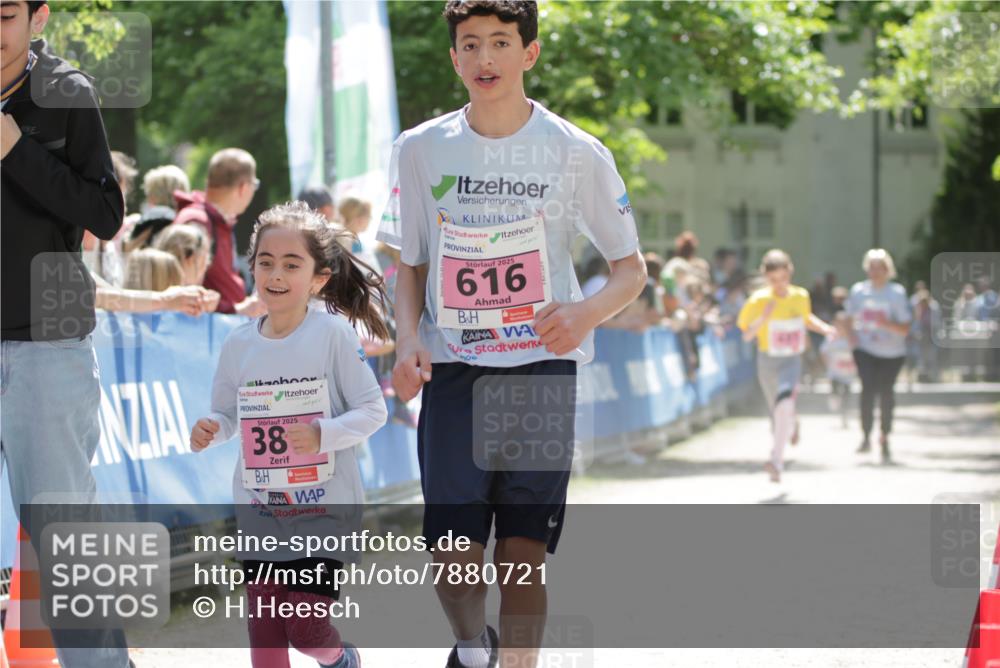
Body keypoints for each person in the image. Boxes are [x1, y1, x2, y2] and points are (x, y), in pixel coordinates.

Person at [377, 2, 646, 666]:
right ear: (454, 59)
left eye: (501, 43)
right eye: (471, 45)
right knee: (454, 558)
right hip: (456, 370)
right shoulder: (419, 149)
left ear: (530, 54)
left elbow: (630, 271)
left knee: (523, 554)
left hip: (541, 371)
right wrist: (407, 339)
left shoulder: (575, 151)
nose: (485, 58)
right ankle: (473, 647)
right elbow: (406, 263)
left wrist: (582, 315)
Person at [190, 202, 389, 668]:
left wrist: (323, 434)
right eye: (265, 262)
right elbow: (227, 413)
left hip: (321, 510)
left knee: (305, 628)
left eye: (291, 264)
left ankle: (341, 658)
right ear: (252, 266)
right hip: (261, 508)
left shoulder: (333, 334)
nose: (275, 274)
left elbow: (372, 410)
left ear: (318, 279)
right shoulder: (238, 342)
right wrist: (212, 428)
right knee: (265, 640)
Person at [0, 1, 132, 665]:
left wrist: (14, 148)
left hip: (46, 347)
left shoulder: (69, 93)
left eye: (4, 13)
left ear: (38, 17)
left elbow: (106, 214)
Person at [738, 250, 835, 482]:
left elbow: (806, 319)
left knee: (783, 404)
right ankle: (791, 423)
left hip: (791, 360)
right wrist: (764, 316)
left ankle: (776, 461)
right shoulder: (759, 300)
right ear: (766, 278)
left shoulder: (799, 296)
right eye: (773, 280)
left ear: (790, 274)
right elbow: (746, 335)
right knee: (777, 411)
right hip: (767, 360)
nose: (779, 285)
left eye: (783, 279)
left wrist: (826, 328)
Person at [174, 147, 265, 316]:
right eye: (255, 185)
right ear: (243, 188)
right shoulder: (197, 222)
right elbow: (183, 292)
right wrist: (237, 309)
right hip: (202, 334)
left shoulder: (212, 220)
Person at [845, 249, 912, 462]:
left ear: (887, 269)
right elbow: (847, 318)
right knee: (867, 389)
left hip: (892, 353)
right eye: (871, 267)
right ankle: (866, 435)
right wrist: (853, 340)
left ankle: (885, 435)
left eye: (879, 267)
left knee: (886, 393)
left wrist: (886, 323)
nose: (874, 271)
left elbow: (905, 328)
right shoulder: (858, 291)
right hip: (865, 349)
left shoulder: (896, 293)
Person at [154, 223, 221, 311]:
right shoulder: (169, 301)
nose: (205, 269)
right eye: (204, 262)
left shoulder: (143, 297)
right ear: (190, 259)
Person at [126, 163, 191, 251]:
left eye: (149, 193)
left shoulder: (152, 220)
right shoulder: (189, 220)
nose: (148, 199)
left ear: (155, 195)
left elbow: (127, 248)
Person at [822, 312, 857, 428]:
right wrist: (827, 364)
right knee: (835, 391)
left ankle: (845, 416)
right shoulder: (831, 338)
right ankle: (833, 398)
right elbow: (824, 351)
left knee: (846, 395)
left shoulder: (853, 338)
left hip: (848, 374)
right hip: (835, 372)